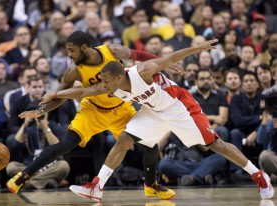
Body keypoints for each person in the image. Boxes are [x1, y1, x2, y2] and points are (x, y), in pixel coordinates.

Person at [45, 39, 274, 201]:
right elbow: (84, 92)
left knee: (216, 144)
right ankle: (97, 186)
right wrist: (56, 94)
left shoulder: (143, 71)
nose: (102, 85)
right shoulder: (110, 85)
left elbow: (172, 57)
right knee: (124, 138)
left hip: (179, 106)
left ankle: (258, 175)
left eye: (106, 81)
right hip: (153, 110)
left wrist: (198, 48)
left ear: (118, 76)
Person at [6, 31, 183, 199]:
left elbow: (140, 55)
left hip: (121, 108)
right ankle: (23, 176)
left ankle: (151, 186)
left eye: (72, 50)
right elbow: (58, 96)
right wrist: (40, 110)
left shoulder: (111, 51)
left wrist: (164, 62)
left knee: (150, 146)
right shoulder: (73, 71)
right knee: (66, 144)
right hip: (92, 111)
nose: (69, 55)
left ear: (83, 47)